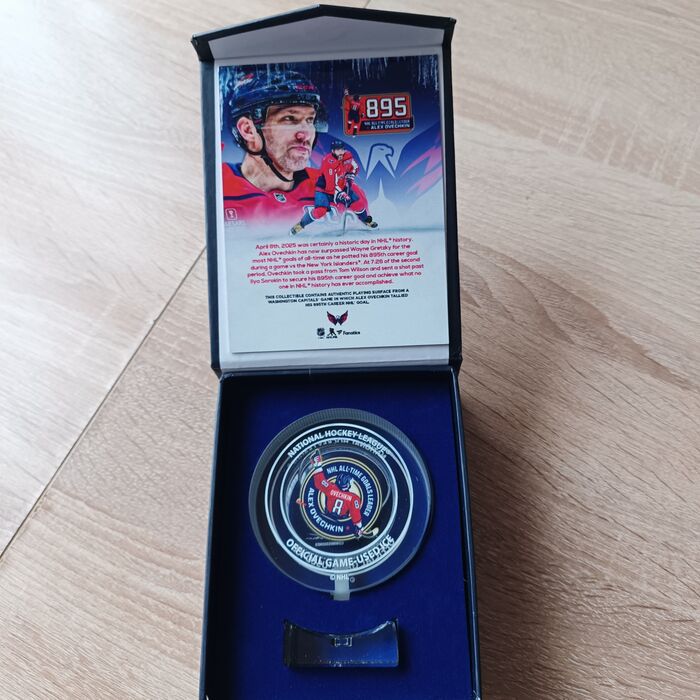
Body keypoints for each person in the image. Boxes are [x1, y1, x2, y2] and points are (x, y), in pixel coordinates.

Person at [221, 69, 375, 232]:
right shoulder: (218, 189)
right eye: (289, 119)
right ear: (248, 130)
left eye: (310, 120)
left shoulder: (339, 189)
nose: (305, 134)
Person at [289, 140, 378, 235]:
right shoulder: (328, 162)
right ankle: (300, 225)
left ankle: (366, 221)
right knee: (320, 211)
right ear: (333, 151)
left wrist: (351, 174)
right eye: (338, 150)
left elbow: (355, 167)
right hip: (324, 190)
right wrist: (342, 194)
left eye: (342, 149)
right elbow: (331, 184)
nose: (341, 152)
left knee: (358, 204)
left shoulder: (348, 156)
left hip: (341, 186)